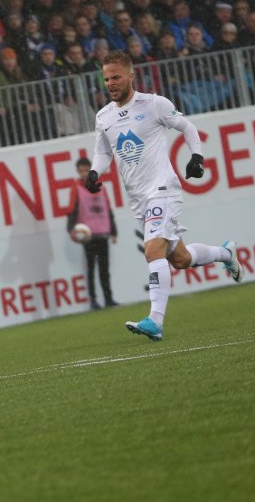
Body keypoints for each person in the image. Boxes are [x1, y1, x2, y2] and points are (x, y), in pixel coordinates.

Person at [86, 51, 243, 341]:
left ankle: (155, 321)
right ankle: (226, 254)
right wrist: (95, 172)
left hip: (163, 189)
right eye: (106, 79)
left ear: (131, 76)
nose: (110, 83)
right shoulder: (103, 116)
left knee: (153, 250)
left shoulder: (154, 104)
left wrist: (197, 156)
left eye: (116, 77)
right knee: (180, 259)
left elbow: (187, 127)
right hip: (139, 199)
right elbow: (103, 152)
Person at [68, 157, 118, 310]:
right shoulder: (76, 189)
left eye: (86, 170)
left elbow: (108, 209)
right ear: (78, 172)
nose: (84, 173)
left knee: (104, 269)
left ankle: (108, 298)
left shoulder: (101, 188)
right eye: (81, 171)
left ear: (90, 170)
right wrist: (71, 229)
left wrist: (113, 231)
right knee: (91, 269)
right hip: (87, 235)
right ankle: (93, 300)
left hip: (102, 232)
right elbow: (72, 210)